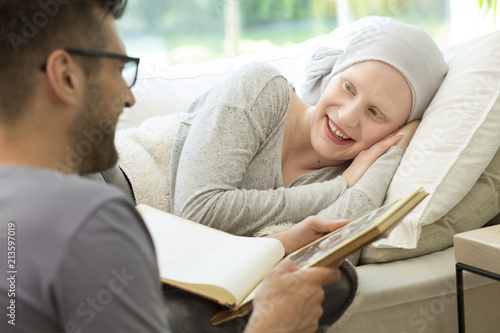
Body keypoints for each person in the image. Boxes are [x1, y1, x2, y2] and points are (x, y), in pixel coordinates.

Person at [0, 1, 354, 332]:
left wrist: (275, 243)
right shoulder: (92, 220)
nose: (129, 97)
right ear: (66, 77)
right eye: (120, 68)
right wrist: (272, 325)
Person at [169, 18, 448, 241]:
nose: (347, 116)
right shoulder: (262, 87)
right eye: (348, 87)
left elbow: (334, 257)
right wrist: (340, 187)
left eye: (375, 113)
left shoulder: (348, 173)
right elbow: (197, 213)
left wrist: (392, 153)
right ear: (333, 74)